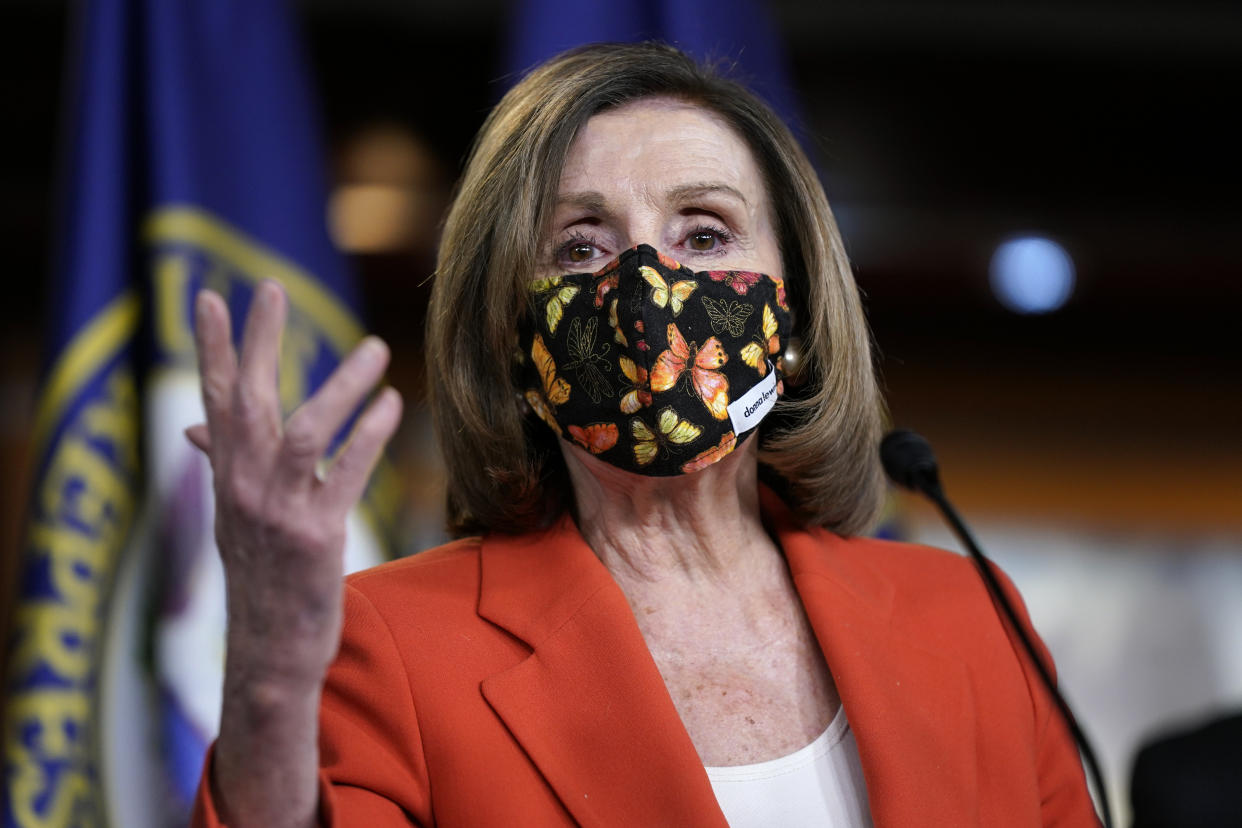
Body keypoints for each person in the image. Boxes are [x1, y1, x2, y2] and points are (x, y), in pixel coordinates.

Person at [191, 43, 1100, 827]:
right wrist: (269, 669)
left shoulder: (973, 620)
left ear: (799, 312)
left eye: (704, 234)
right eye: (581, 247)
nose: (646, 288)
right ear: (511, 336)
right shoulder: (395, 647)